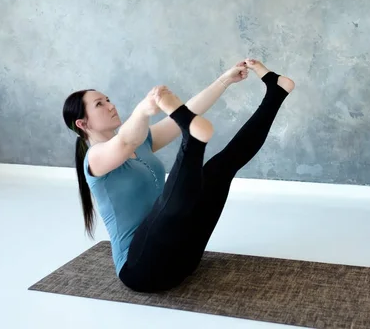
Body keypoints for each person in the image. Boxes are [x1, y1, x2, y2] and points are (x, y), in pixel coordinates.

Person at [62, 59, 295, 292]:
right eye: (99, 105)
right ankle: (193, 139)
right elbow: (125, 141)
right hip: (142, 271)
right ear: (82, 123)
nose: (111, 106)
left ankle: (275, 93)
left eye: (108, 100)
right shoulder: (95, 158)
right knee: (171, 200)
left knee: (221, 167)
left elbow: (190, 112)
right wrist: (143, 110)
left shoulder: (141, 142)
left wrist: (224, 80)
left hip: (184, 258)